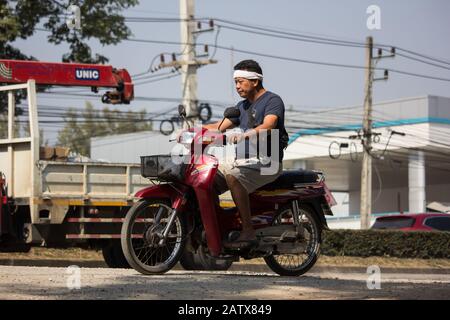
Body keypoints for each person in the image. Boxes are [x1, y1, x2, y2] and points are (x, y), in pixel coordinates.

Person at [203, 59, 287, 248]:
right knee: (206, 179)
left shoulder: (273, 100)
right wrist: (194, 130)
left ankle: (248, 230)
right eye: (236, 82)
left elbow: (269, 124)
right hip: (243, 162)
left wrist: (247, 134)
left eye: (241, 82)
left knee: (233, 177)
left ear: (255, 81)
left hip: (267, 163)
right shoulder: (241, 107)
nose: (237, 86)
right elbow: (218, 127)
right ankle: (216, 228)